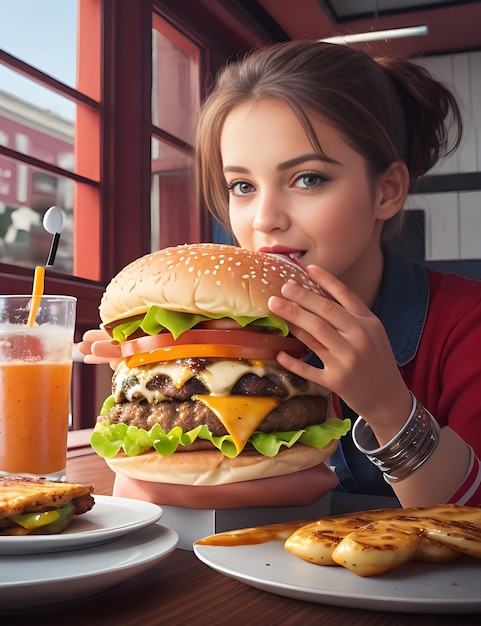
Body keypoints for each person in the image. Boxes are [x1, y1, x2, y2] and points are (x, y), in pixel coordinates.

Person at [81, 40, 481, 508]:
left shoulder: (467, 325)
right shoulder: (206, 329)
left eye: (308, 178)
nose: (264, 218)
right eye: (243, 186)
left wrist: (389, 408)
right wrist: (159, 373)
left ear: (387, 191)